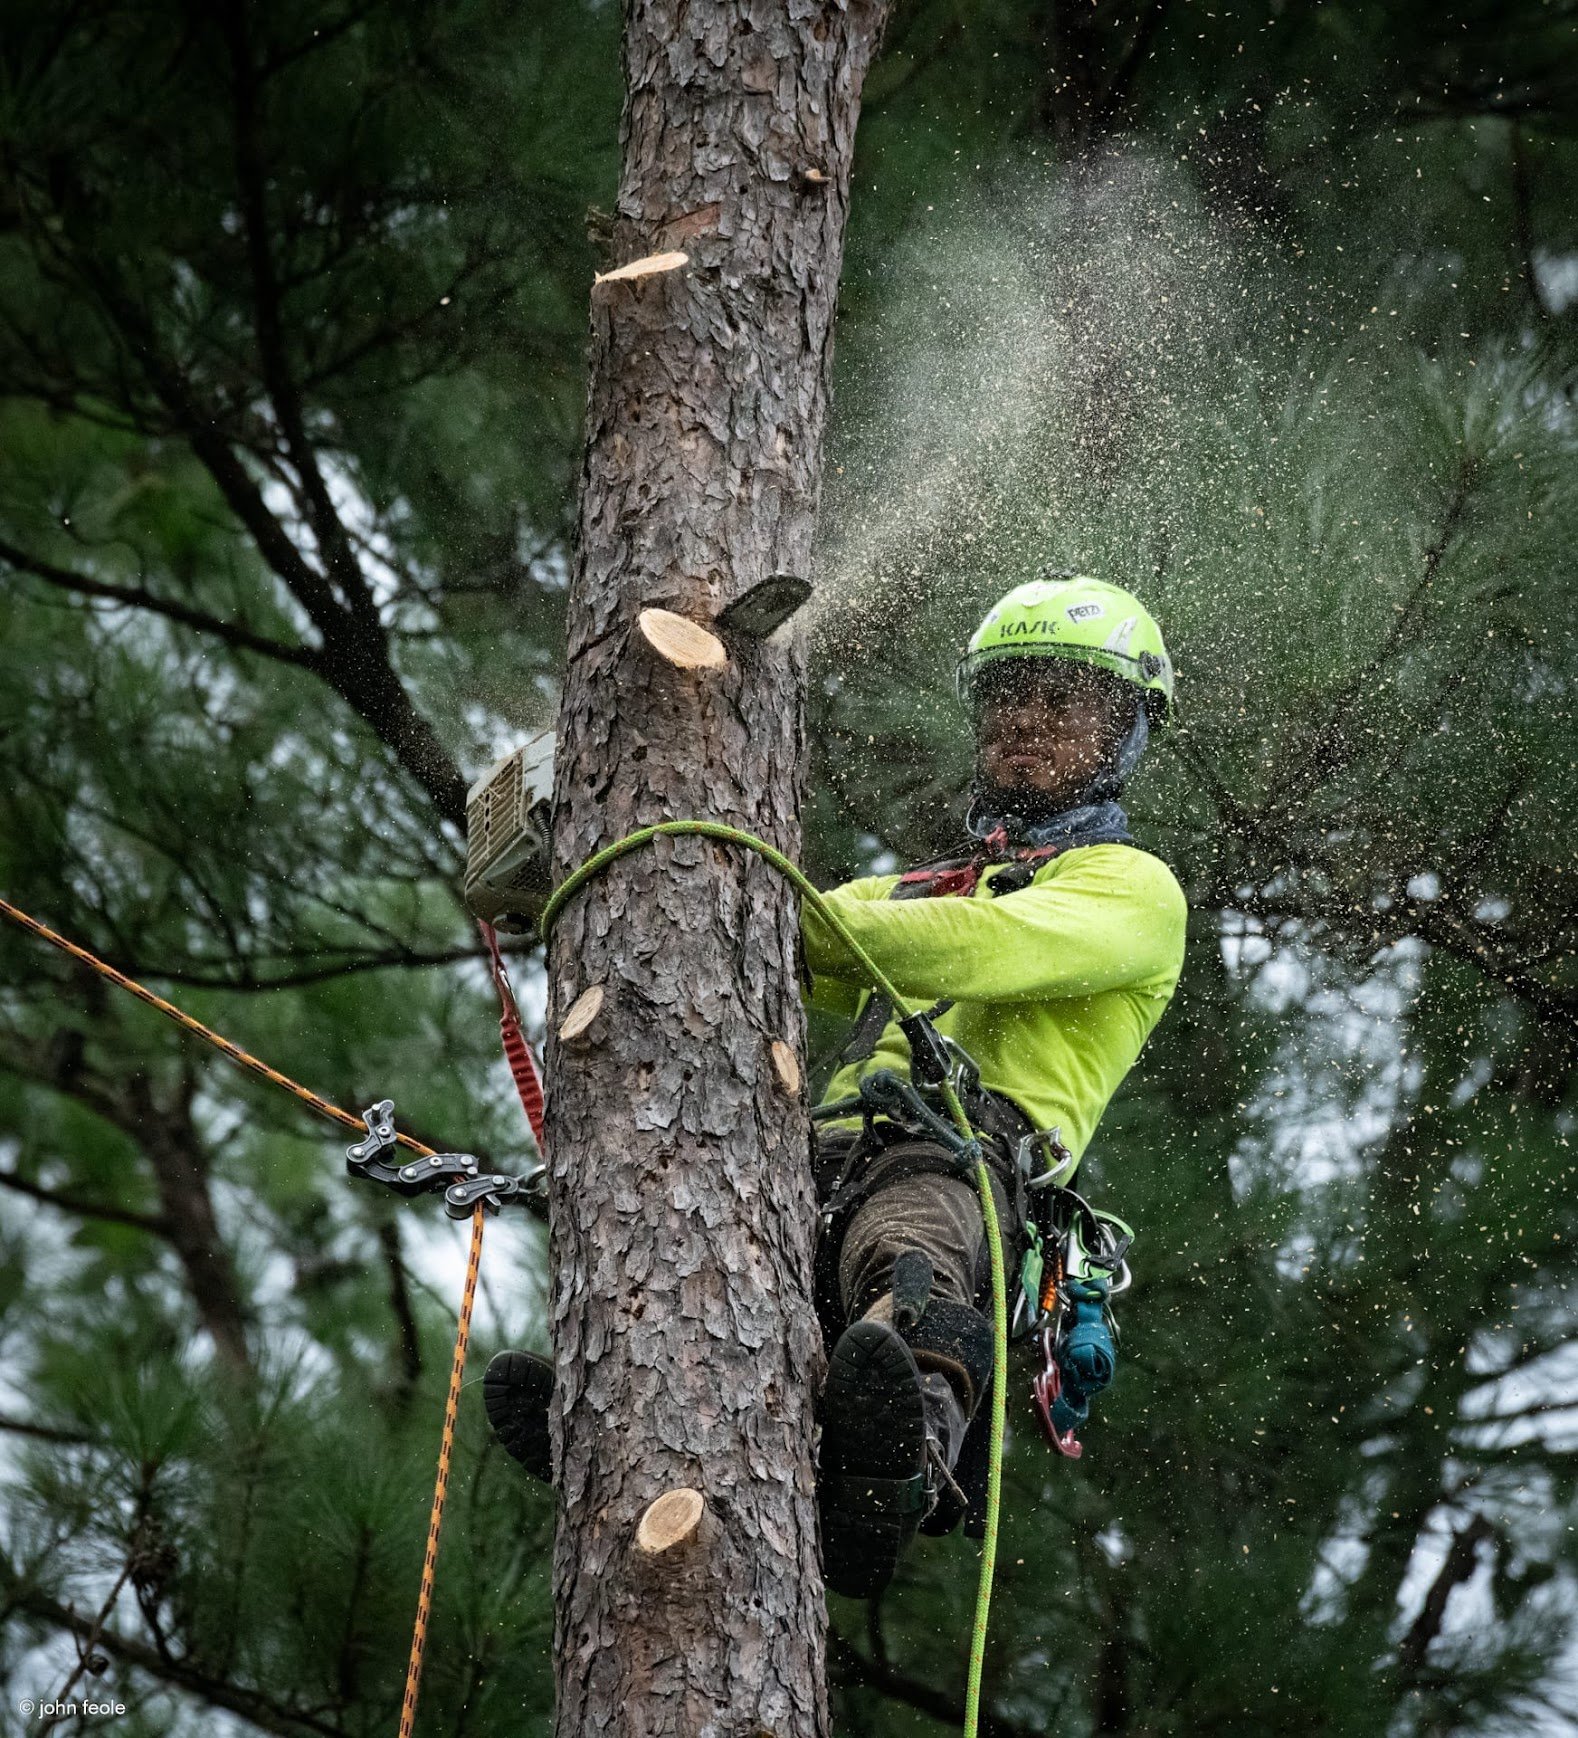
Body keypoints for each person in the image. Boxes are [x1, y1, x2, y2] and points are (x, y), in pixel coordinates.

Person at [481, 572, 1187, 1602]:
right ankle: (620, 1419)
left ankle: (900, 1466)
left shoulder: (1131, 889)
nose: (1029, 721)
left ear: (1125, 732)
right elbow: (792, 919)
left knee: (905, 1253)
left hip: (958, 1151)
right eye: (1010, 699)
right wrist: (617, 879)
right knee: (707, 1267)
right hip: (811, 1152)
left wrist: (754, 898)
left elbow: (971, 950)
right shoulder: (926, 882)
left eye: (1065, 702)